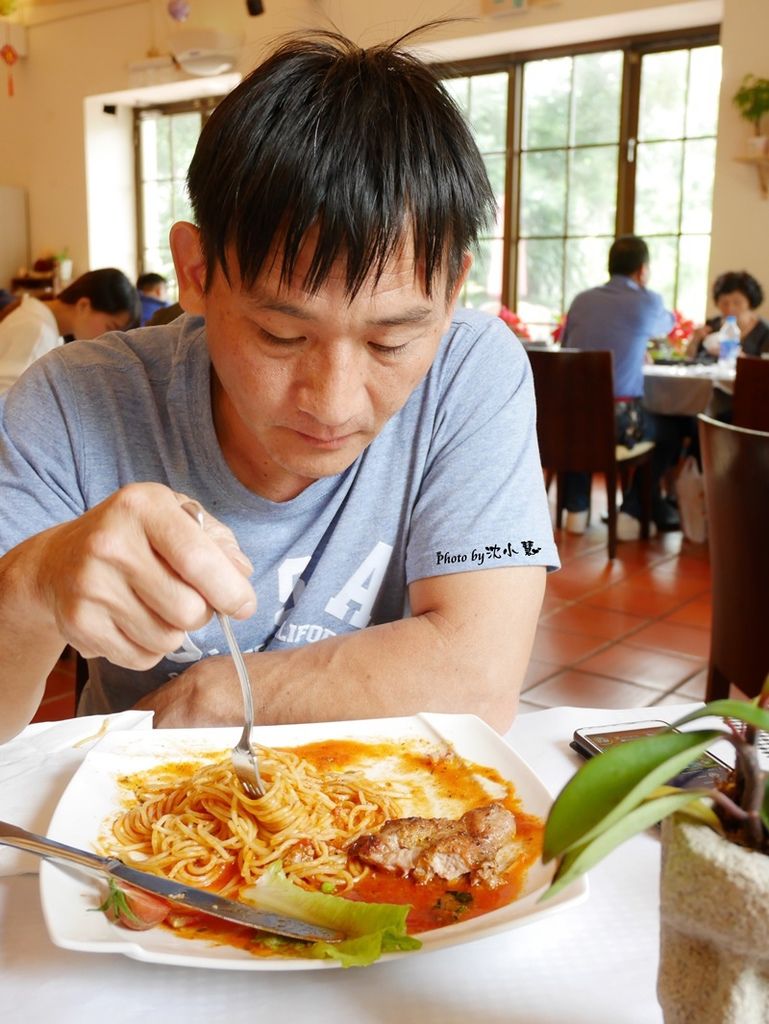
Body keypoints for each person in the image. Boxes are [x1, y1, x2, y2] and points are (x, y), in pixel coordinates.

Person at [0, 29, 558, 744]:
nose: (334, 403)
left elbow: (477, 677)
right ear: (196, 274)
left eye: (390, 342)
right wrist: (32, 585)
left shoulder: (470, 369)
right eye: (281, 336)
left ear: (451, 292)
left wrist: (218, 694)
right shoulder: (75, 401)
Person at [560, 235, 682, 540]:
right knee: (677, 426)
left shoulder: (580, 300)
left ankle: (576, 509)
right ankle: (632, 510)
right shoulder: (647, 299)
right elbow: (667, 325)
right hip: (619, 423)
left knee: (582, 415)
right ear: (642, 270)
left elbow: (565, 349)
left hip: (566, 421)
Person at [0, 268, 140, 394]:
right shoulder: (39, 333)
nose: (108, 339)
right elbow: (7, 405)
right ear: (84, 305)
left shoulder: (40, 320)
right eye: (110, 327)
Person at [686, 271, 769, 361]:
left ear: (750, 302)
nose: (730, 308)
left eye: (737, 302)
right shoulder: (710, 326)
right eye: (724, 303)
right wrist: (695, 340)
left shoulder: (765, 331)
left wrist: (741, 358)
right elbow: (689, 360)